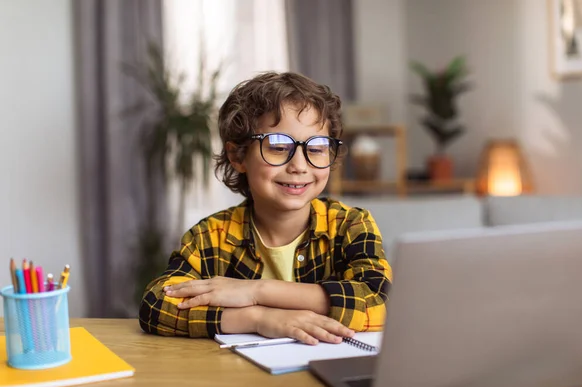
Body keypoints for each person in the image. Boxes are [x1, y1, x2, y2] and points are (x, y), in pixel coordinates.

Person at [138, 71, 392, 345]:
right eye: (278, 147)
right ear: (238, 156)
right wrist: (259, 318)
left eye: (317, 148)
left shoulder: (350, 225)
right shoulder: (211, 236)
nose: (299, 166)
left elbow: (380, 303)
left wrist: (256, 291)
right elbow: (156, 305)